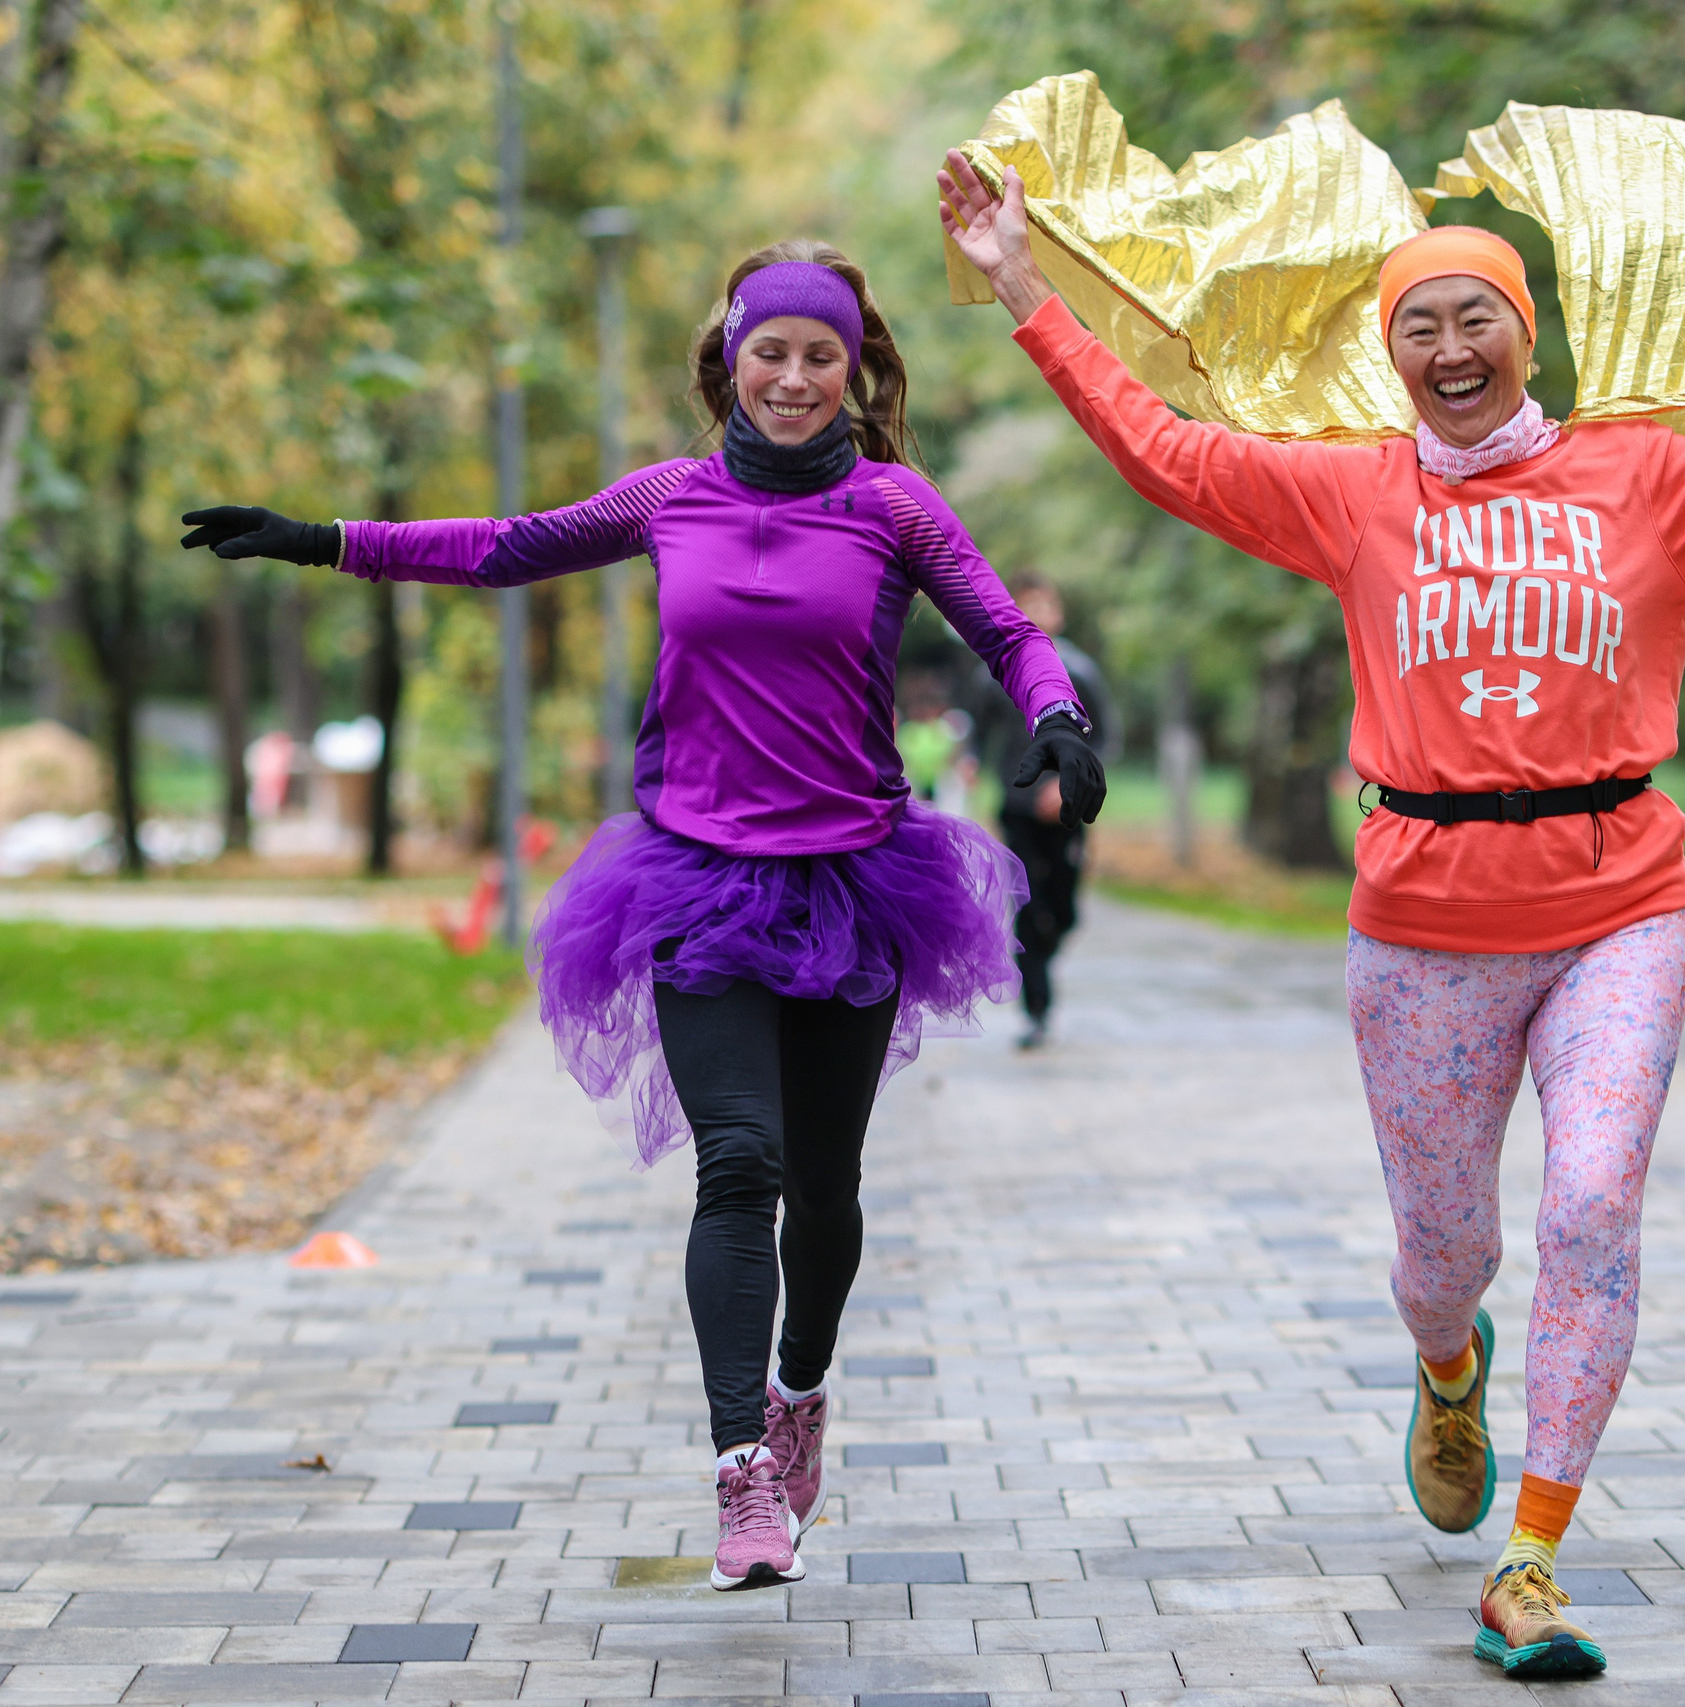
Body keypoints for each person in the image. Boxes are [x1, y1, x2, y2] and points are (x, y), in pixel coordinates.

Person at [939, 152, 1685, 1679]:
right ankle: (1450, 1366)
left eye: (1477, 318)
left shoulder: (1650, 475)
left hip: (1619, 902)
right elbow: (1164, 449)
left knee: (1592, 1207)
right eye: (1420, 326)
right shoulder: (1352, 497)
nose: (1450, 349)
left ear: (1524, 329)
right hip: (1425, 919)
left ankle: (1534, 1555)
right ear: (1392, 350)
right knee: (1447, 1252)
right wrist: (1024, 286)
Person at [181, 239, 1107, 1593]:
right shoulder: (669, 496)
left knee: (829, 1189)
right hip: (694, 873)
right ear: (729, 359)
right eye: (770, 350)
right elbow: (500, 549)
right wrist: (317, 538)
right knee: (739, 1161)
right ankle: (742, 1473)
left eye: (819, 355)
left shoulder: (896, 505)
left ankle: (801, 1388)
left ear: (853, 370)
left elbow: (1008, 634)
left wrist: (1060, 721)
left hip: (854, 875)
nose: (792, 377)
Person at [966, 574, 1116, 1048]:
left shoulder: (1081, 671)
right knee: (1028, 904)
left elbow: (1108, 737)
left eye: (1044, 606)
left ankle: (1044, 950)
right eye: (1024, 606)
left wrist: (1067, 785)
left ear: (1059, 613)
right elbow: (975, 728)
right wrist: (969, 758)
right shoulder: (995, 670)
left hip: (1068, 807)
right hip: (1017, 803)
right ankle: (1037, 1010)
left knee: (1063, 910)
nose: (1036, 615)